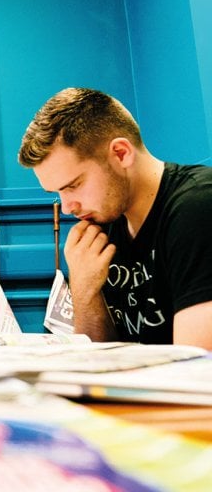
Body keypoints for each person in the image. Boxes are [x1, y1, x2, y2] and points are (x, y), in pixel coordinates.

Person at [18, 87, 212, 348]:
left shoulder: (197, 207)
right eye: (58, 192)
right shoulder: (104, 223)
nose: (66, 208)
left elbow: (198, 371)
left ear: (121, 153)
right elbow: (98, 360)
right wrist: (85, 292)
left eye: (73, 185)